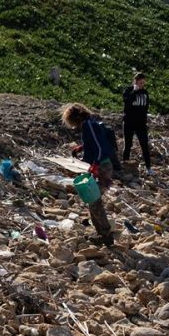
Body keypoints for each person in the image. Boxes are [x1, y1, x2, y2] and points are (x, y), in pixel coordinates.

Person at [61, 103, 115, 246]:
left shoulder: (88, 125)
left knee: (94, 200)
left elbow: (98, 146)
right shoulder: (91, 123)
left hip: (102, 166)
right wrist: (82, 147)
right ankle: (102, 233)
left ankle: (105, 234)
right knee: (93, 200)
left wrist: (96, 164)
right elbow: (97, 142)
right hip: (102, 164)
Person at [123, 72, 153, 174]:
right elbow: (127, 104)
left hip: (141, 124)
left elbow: (146, 107)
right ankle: (125, 166)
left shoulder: (145, 93)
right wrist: (134, 92)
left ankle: (149, 168)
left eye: (143, 83)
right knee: (128, 145)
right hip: (129, 122)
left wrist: (144, 120)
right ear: (135, 82)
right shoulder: (128, 90)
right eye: (140, 83)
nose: (142, 85)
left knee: (144, 145)